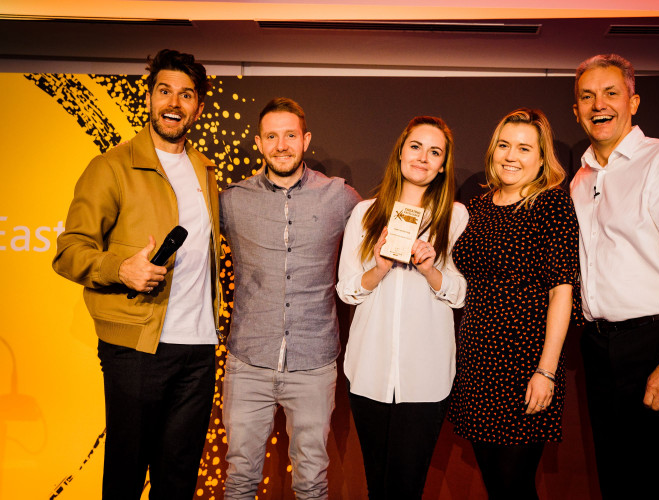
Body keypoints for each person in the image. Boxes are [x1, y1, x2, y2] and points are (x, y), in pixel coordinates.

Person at [52, 49, 220, 499]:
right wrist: (120, 268)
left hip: (199, 349)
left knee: (179, 478)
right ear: (148, 98)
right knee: (126, 473)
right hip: (135, 344)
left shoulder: (207, 172)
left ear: (198, 108)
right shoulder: (111, 166)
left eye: (186, 95)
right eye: (164, 90)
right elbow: (68, 250)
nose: (174, 103)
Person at [570, 54, 659, 499]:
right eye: (588, 96)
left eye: (611, 93)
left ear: (633, 102)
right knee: (619, 479)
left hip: (655, 343)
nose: (600, 104)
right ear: (576, 110)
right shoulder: (579, 179)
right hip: (598, 347)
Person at [220, 97, 361, 499]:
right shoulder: (232, 200)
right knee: (240, 477)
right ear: (260, 143)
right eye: (272, 137)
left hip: (314, 362)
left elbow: (376, 242)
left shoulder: (341, 197)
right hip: (247, 361)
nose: (281, 145)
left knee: (312, 479)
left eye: (290, 135)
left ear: (305, 139)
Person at [448, 108, 580, 499]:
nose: (511, 155)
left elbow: (562, 292)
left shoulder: (551, 206)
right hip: (476, 365)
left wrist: (547, 371)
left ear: (541, 158)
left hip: (524, 367)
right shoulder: (475, 208)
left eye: (525, 148)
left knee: (514, 485)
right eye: (504, 145)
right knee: (496, 485)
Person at [336, 116, 468, 499]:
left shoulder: (455, 216)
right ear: (400, 153)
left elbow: (460, 294)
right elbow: (346, 290)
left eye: (435, 151)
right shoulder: (365, 212)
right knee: (377, 486)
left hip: (425, 379)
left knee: (406, 489)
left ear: (443, 164)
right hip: (368, 373)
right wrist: (378, 268)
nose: (423, 157)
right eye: (416, 146)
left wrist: (430, 269)